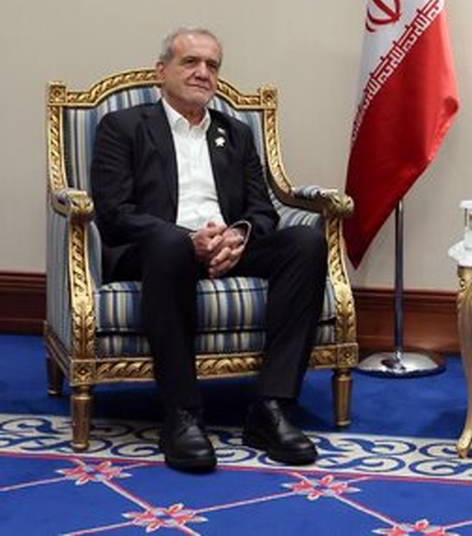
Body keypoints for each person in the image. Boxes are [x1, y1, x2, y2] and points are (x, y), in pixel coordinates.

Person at [91, 27, 328, 472]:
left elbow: (262, 211)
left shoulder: (234, 133)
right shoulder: (123, 127)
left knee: (306, 242)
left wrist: (238, 236)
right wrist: (187, 238)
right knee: (170, 244)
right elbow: (113, 211)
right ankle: (182, 414)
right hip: (157, 252)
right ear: (161, 71)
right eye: (190, 62)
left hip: (224, 248)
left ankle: (271, 407)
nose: (203, 72)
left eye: (212, 65)